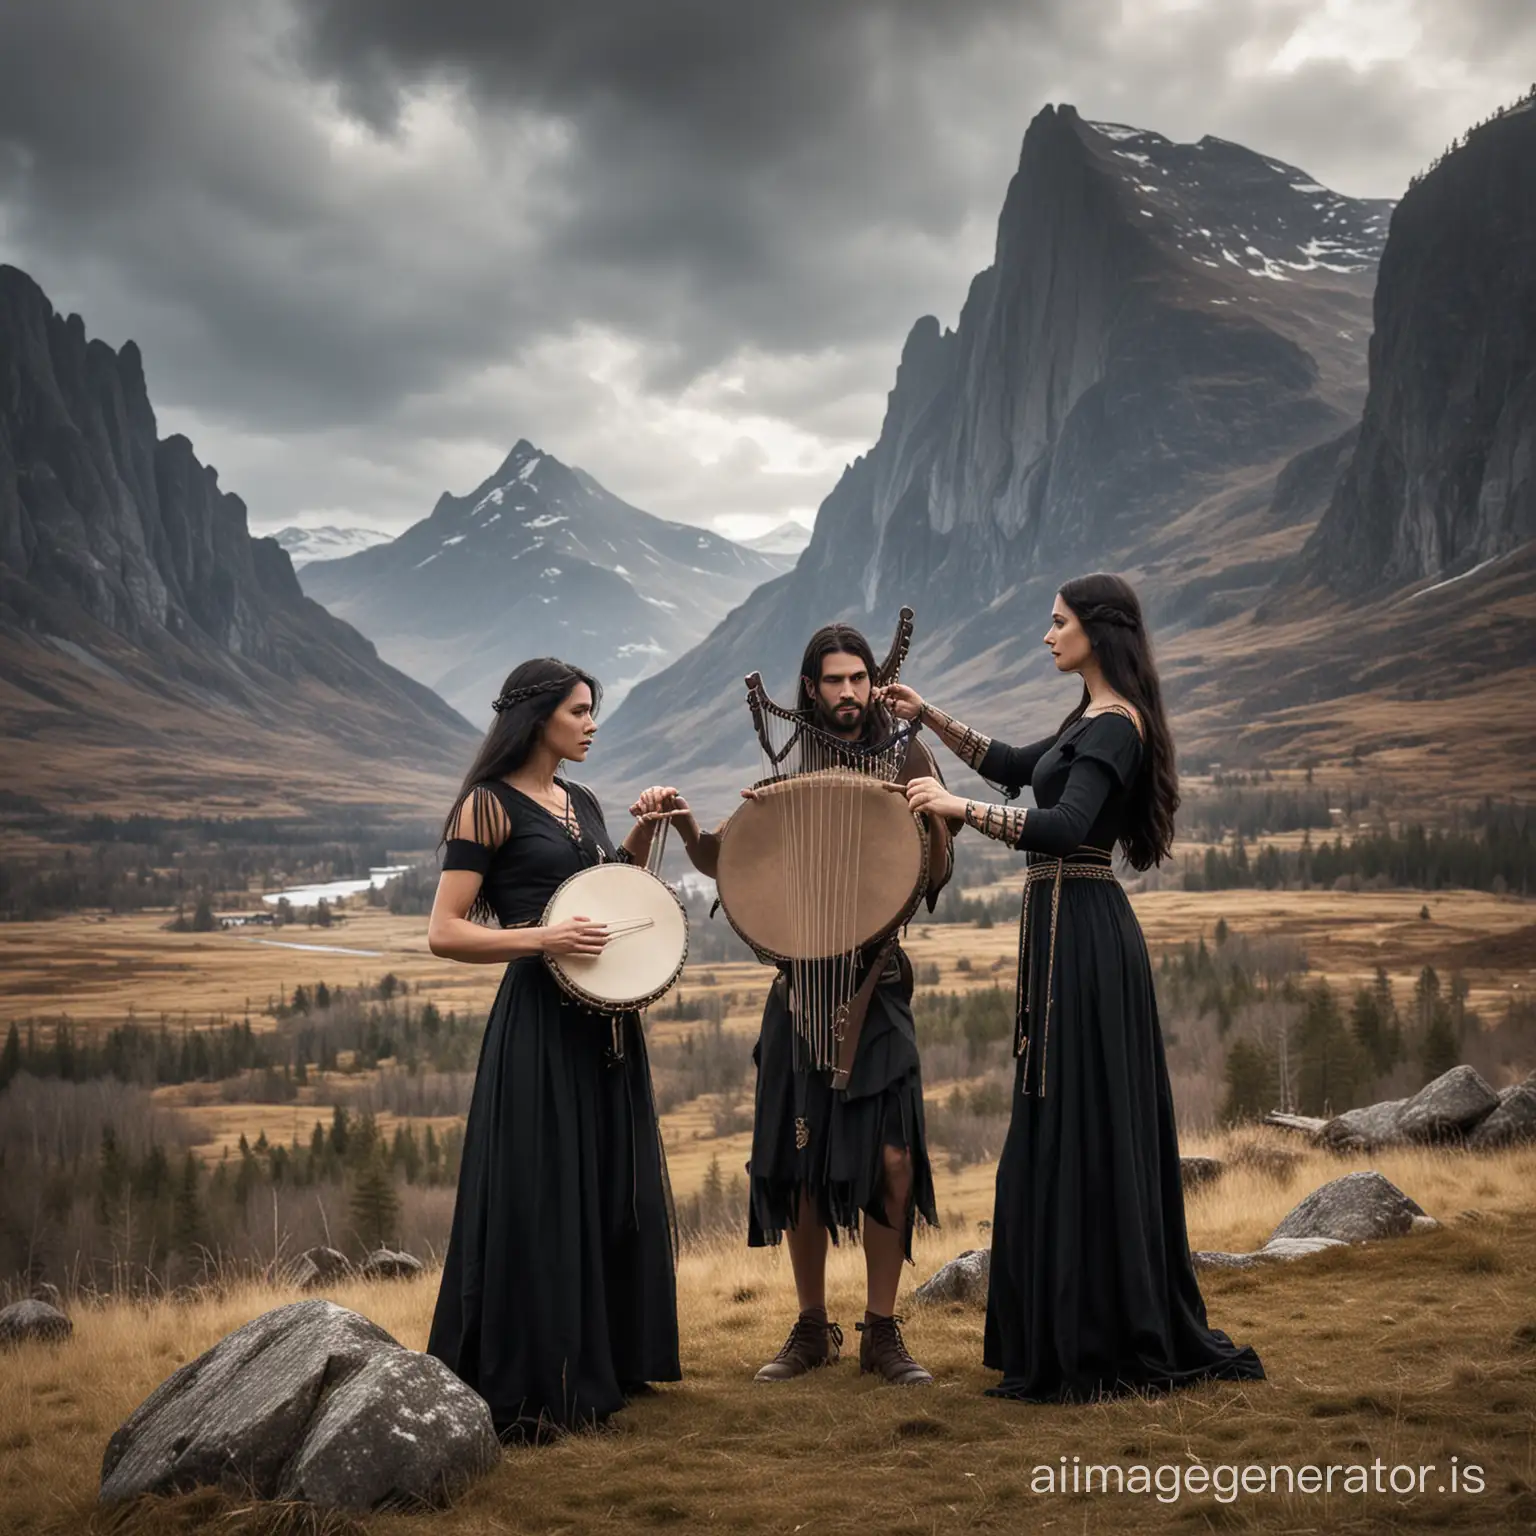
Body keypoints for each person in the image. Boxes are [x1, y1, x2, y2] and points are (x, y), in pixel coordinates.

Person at [881, 574, 1265, 1402]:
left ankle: (1098, 1332)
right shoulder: (1089, 717)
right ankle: (1063, 1329)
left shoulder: (1118, 725)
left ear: (1097, 630)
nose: (1047, 635)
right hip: (1063, 931)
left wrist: (954, 806)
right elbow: (1021, 769)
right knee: (1063, 1119)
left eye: (1058, 624)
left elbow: (1058, 827)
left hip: (1086, 937)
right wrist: (929, 716)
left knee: (1086, 1121)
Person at [644, 623, 958, 1387]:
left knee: (891, 1158)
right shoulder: (789, 762)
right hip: (798, 989)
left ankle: (883, 1332)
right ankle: (813, 1328)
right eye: (832, 680)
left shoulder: (906, 754)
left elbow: (935, 872)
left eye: (858, 678)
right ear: (811, 688)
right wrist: (693, 828)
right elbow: (732, 863)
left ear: (872, 682)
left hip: (875, 985)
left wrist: (923, 819)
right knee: (799, 1160)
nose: (846, 692)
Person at [425, 657, 680, 1442]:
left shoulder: (583, 799)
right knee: (545, 1193)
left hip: (605, 1023)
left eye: (592, 711)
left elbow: (606, 887)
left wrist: (645, 828)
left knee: (606, 1185)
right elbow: (444, 930)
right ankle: (539, 1379)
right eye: (579, 711)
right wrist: (539, 938)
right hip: (537, 1022)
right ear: (538, 718)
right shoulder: (485, 807)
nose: (592, 724)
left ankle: (605, 1365)